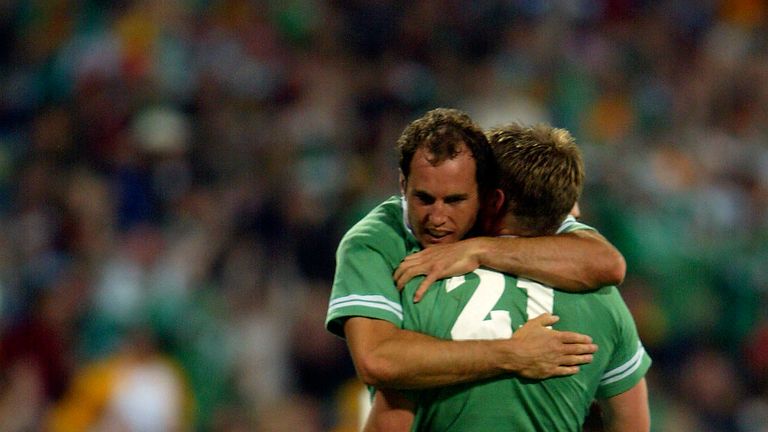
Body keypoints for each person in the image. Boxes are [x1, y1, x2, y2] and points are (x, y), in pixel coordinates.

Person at [367, 123, 651, 431]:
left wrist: (478, 249)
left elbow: (390, 422)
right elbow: (631, 423)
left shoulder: (423, 280)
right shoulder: (603, 299)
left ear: (493, 200)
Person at [325, 108, 625, 392]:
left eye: (455, 200)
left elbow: (607, 263)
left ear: (484, 195)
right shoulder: (372, 240)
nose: (438, 218)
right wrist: (511, 353)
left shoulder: (505, 219)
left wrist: (478, 250)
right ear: (403, 185)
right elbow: (377, 361)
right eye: (425, 199)